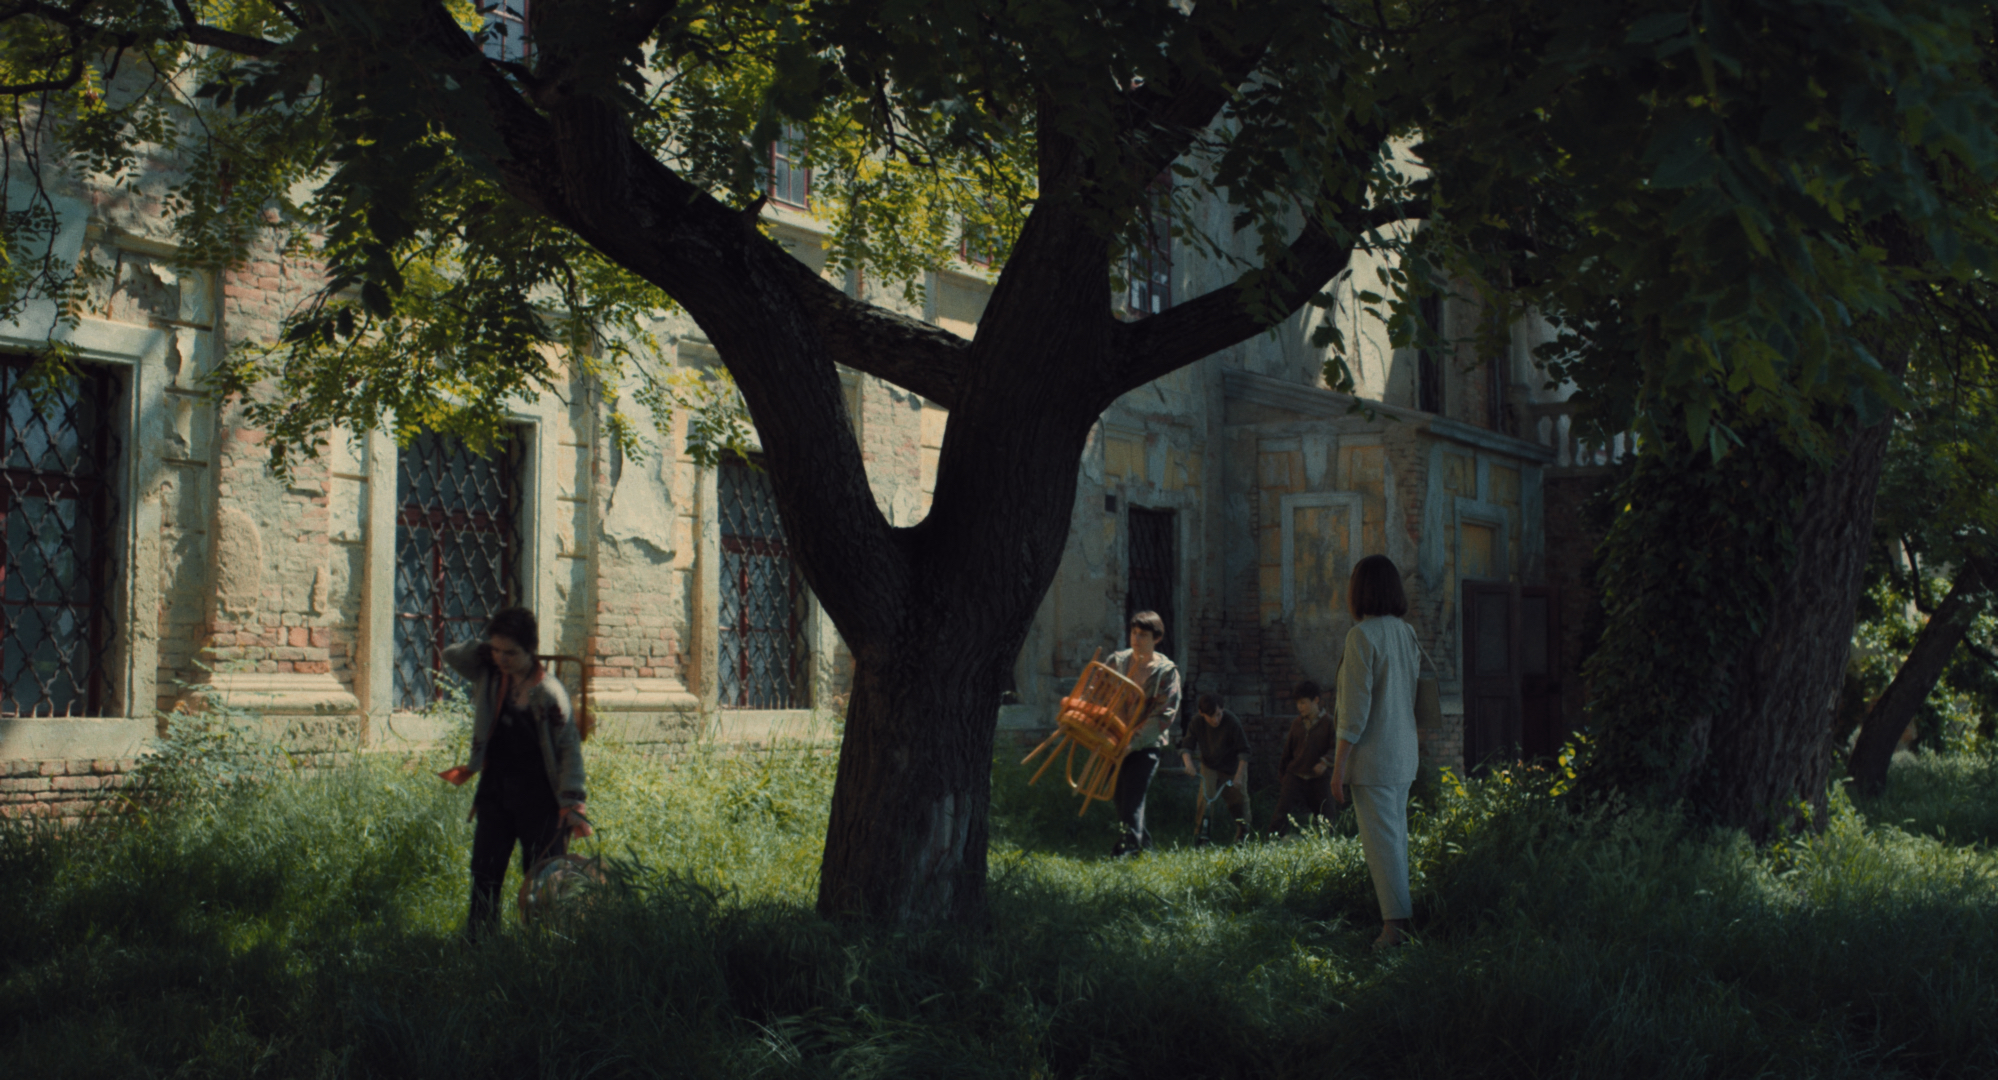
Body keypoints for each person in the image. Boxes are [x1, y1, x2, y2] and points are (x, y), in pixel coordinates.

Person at [435, 606, 590, 940]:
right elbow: (451, 655)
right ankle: (480, 941)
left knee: (543, 878)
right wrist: (488, 648)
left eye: (511, 652)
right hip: (495, 791)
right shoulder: (490, 677)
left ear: (530, 650)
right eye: (496, 650)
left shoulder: (549, 692)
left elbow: (569, 750)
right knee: (485, 870)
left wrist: (572, 801)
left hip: (540, 797)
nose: (501, 658)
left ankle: (543, 943)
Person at [1317, 554, 1421, 949]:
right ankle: (1400, 921)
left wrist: (1338, 767)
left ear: (1358, 591)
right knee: (1396, 840)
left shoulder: (1361, 636)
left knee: (1382, 845)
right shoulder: (1406, 633)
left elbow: (1354, 711)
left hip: (1375, 757)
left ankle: (1395, 929)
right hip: (1403, 753)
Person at [1105, 609, 1181, 857]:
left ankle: (1126, 852)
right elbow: (1099, 690)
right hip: (1115, 740)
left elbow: (1164, 715)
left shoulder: (1166, 672)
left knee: (1132, 799)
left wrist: (1134, 741)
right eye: (1134, 633)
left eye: (1143, 635)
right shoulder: (1118, 661)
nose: (1136, 639)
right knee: (1120, 799)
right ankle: (1147, 851)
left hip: (1145, 746)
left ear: (1156, 638)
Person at [1179, 692, 1250, 846]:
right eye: (1211, 716)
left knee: (1238, 801)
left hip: (1232, 767)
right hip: (1209, 766)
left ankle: (1243, 833)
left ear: (1222, 709)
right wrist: (1189, 764)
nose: (1216, 720)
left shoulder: (1231, 721)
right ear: (1201, 713)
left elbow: (1244, 752)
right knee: (1205, 800)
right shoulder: (1196, 722)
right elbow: (1186, 746)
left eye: (1218, 714)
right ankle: (1201, 837)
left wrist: (1238, 776)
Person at [1268, 680, 1335, 835]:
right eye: (1298, 703)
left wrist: (1325, 762)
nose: (1300, 707)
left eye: (1303, 703)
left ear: (1316, 700)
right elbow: (1288, 751)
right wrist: (1283, 773)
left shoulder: (1328, 722)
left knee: (1326, 813)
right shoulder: (1297, 723)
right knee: (1281, 811)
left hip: (1319, 777)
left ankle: (1329, 842)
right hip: (1296, 774)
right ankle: (1272, 840)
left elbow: (1335, 746)